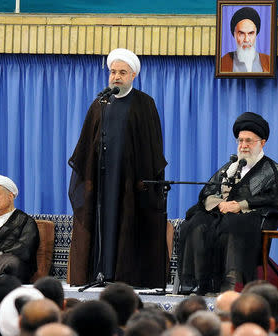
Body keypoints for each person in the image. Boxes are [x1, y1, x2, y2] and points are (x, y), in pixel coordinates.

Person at [68, 48, 167, 288]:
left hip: (131, 181)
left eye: (122, 72)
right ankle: (101, 272)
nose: (116, 77)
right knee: (102, 221)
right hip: (102, 181)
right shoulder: (100, 103)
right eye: (113, 72)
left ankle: (124, 275)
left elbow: (153, 147)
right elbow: (85, 145)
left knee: (127, 224)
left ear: (133, 75)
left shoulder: (145, 104)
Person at [177, 112, 278, 295]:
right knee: (195, 223)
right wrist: (220, 204)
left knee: (231, 225)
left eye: (249, 141)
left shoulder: (273, 170)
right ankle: (199, 283)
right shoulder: (231, 166)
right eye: (240, 140)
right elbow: (207, 190)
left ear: (262, 142)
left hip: (253, 217)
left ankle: (230, 284)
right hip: (222, 214)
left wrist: (241, 205)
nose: (243, 145)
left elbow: (277, 198)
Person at [221, 7, 270, 72]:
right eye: (241, 33)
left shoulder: (268, 61)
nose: (246, 40)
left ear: (256, 34)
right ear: (235, 35)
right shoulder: (224, 61)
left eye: (250, 33)